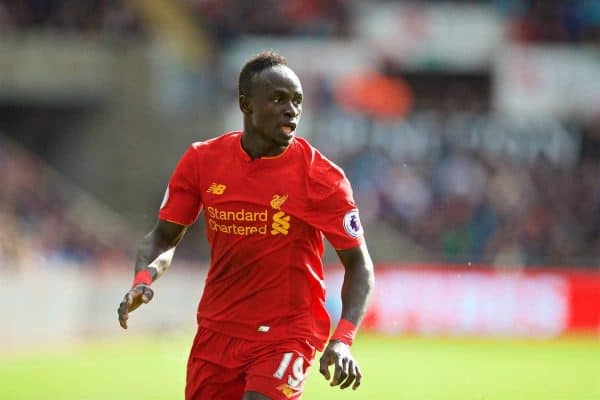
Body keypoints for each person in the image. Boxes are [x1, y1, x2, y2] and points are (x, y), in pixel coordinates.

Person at [117, 51, 374, 400]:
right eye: (278, 99)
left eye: (297, 101)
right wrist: (143, 279)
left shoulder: (321, 177)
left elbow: (359, 265)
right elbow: (163, 238)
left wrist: (342, 340)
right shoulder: (202, 161)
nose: (291, 109)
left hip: (288, 333)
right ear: (246, 104)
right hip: (217, 330)